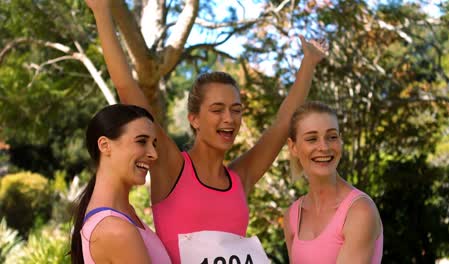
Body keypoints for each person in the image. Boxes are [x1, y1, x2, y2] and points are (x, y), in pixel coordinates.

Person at [85, 0, 327, 262]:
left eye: (236, 109)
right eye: (217, 109)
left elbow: (282, 124)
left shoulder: (240, 178)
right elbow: (126, 87)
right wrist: (101, 11)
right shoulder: (172, 167)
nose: (229, 119)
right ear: (194, 119)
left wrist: (309, 62)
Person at [283, 101, 383, 263]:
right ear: (293, 147)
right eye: (312, 139)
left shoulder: (360, 211)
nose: (324, 147)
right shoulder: (292, 216)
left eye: (332, 137)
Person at [70, 104, 171, 264]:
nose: (154, 154)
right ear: (105, 145)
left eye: (154, 144)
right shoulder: (116, 230)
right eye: (141, 141)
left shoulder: (122, 217)